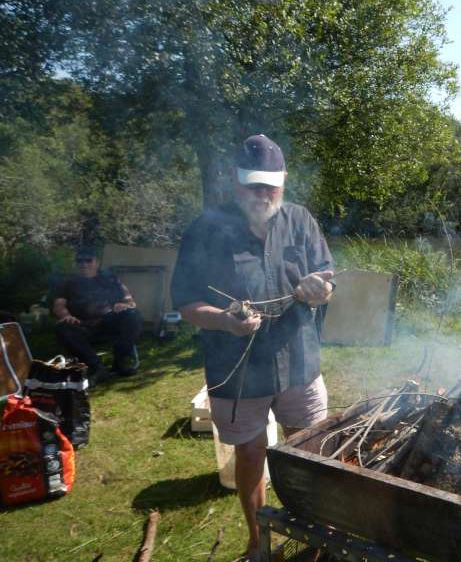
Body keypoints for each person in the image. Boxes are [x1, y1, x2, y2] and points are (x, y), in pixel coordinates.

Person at [171, 134, 334, 562]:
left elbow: (326, 277)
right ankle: (258, 540)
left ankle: (318, 532)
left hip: (299, 359)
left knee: (310, 446)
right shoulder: (205, 230)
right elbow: (187, 302)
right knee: (248, 450)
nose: (263, 195)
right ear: (235, 182)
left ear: (284, 181)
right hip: (236, 368)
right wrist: (224, 320)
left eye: (271, 185)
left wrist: (320, 290)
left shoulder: (301, 220)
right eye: (253, 185)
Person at [52, 245, 142, 383]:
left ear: (97, 262)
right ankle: (97, 368)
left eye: (88, 260)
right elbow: (59, 305)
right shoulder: (67, 283)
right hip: (83, 326)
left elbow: (128, 298)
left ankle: (120, 362)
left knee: (133, 315)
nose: (84, 264)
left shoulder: (110, 279)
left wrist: (126, 304)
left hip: (109, 322)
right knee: (62, 327)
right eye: (80, 261)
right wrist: (66, 316)